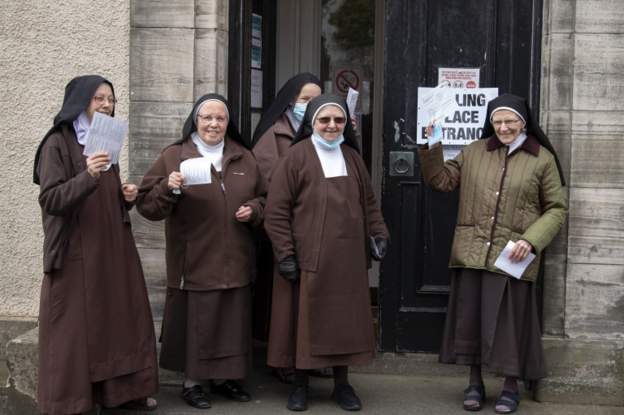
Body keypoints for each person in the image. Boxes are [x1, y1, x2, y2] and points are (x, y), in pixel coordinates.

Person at [418, 94, 567, 414]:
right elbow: (441, 182)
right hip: (472, 250)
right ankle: (474, 383)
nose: (503, 127)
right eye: (497, 121)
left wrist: (532, 240)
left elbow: (556, 208)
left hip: (512, 255)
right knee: (470, 319)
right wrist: (432, 145)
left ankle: (511, 386)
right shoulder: (474, 151)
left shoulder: (542, 159)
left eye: (510, 121)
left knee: (510, 323)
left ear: (523, 123)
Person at [33, 75, 158, 414]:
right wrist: (87, 175)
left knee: (120, 321)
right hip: (76, 252)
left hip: (112, 247)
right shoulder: (57, 144)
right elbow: (52, 199)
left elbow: (105, 196)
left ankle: (121, 394)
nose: (106, 105)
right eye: (98, 98)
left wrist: (125, 195)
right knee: (76, 332)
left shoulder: (105, 139)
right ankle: (72, 402)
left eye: (110, 99)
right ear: (80, 102)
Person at [136, 94, 265, 410]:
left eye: (220, 118)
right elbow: (147, 207)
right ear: (195, 121)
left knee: (232, 323)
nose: (213, 124)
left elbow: (266, 197)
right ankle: (193, 383)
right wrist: (168, 187)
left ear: (227, 123)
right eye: (207, 117)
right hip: (193, 258)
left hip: (236, 256)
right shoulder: (174, 155)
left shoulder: (243, 157)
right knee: (199, 323)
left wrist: (254, 209)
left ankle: (226, 380)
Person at [264, 94, 389, 412]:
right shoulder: (295, 157)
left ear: (346, 124)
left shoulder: (352, 157)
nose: (332, 126)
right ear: (311, 123)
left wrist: (378, 233)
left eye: (338, 120)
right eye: (324, 120)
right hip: (309, 257)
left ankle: (342, 385)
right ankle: (300, 385)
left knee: (343, 323)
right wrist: (285, 254)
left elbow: (369, 202)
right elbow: (276, 212)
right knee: (305, 324)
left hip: (347, 260)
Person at [251, 73, 324, 383]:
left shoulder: (325, 131)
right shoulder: (273, 135)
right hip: (286, 227)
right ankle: (284, 361)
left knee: (315, 297)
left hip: (318, 228)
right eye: (305, 99)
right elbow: (269, 183)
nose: (309, 106)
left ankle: (314, 356)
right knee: (285, 302)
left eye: (316, 99)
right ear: (291, 102)